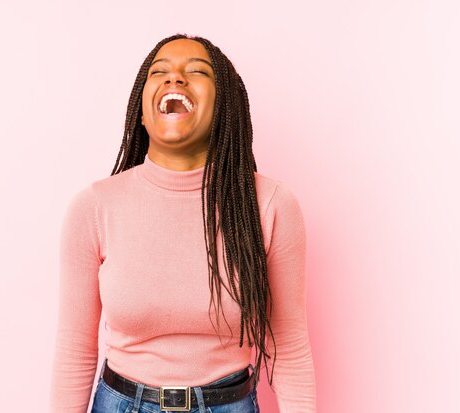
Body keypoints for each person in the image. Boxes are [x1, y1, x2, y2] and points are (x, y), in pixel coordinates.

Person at [49, 34, 316, 413]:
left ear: (225, 106)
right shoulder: (93, 207)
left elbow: (288, 345)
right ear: (141, 111)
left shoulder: (270, 205)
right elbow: (74, 349)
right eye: (159, 72)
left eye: (196, 72)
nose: (174, 79)